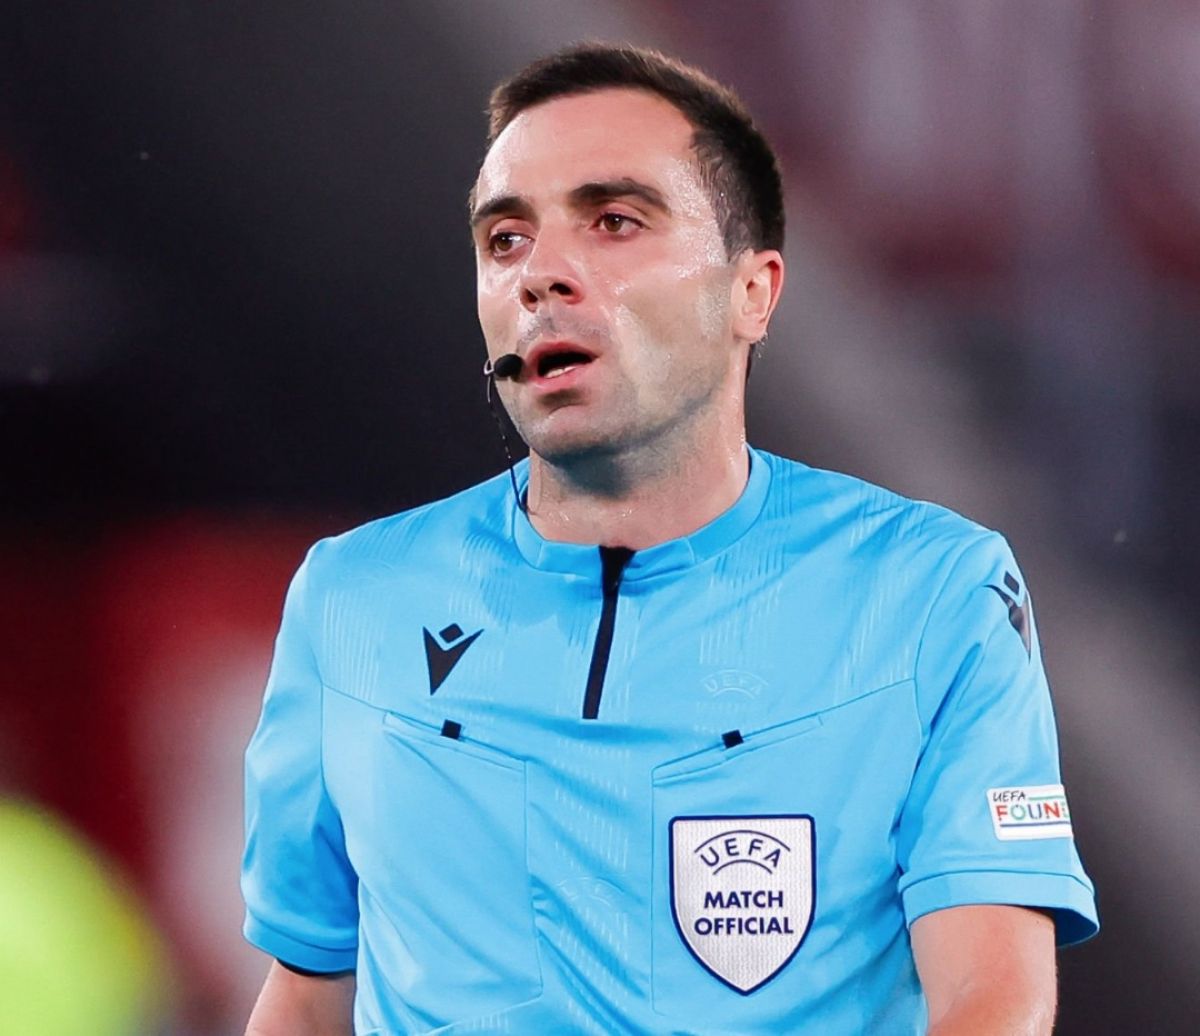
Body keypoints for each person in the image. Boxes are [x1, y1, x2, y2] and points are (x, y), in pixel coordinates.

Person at [241, 44, 1097, 1035]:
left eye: (613, 221)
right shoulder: (352, 598)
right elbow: (305, 995)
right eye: (506, 240)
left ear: (752, 292)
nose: (542, 275)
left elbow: (992, 998)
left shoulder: (932, 590)